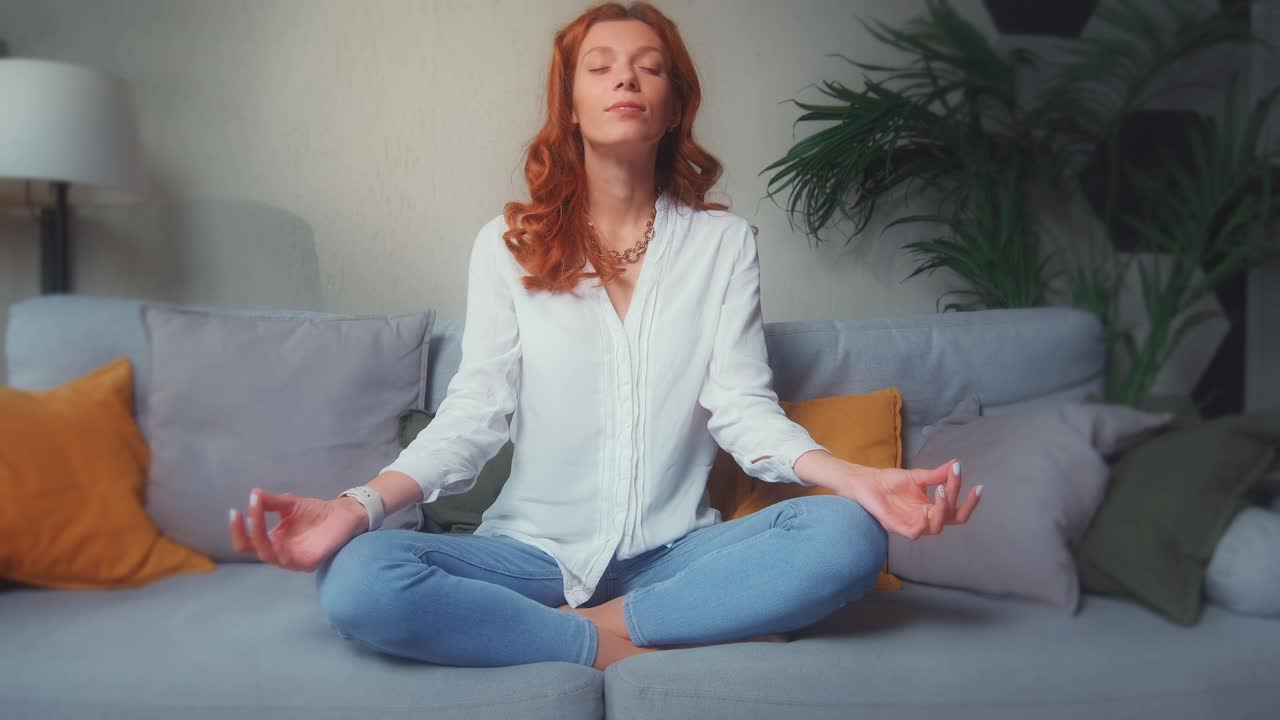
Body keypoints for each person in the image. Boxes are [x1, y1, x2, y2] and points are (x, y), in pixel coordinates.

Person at [227, 1, 982, 672]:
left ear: (672, 105)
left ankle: (587, 631)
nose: (627, 80)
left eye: (650, 70)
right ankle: (644, 643)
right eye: (602, 67)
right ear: (573, 102)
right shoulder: (507, 245)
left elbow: (744, 411)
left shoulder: (723, 245)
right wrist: (356, 505)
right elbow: (473, 416)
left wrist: (859, 481)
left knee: (848, 538)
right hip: (528, 556)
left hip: (680, 556)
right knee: (359, 580)